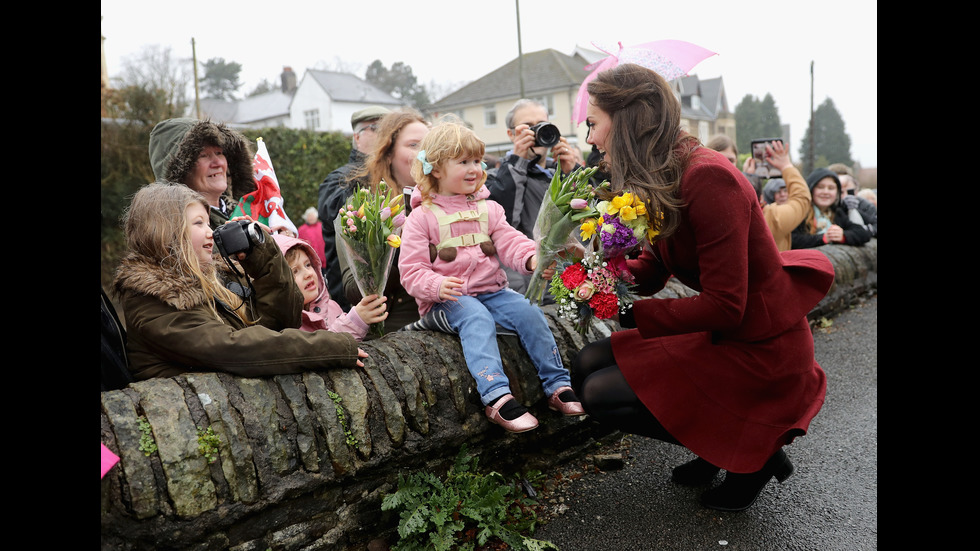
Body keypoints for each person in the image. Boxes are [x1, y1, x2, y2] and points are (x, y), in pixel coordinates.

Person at [573, 64, 835, 512]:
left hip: (758, 347)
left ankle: (754, 459)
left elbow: (726, 305)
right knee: (585, 365)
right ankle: (718, 444)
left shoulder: (709, 177)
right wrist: (607, 273)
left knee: (600, 394)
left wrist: (632, 315)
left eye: (593, 124)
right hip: (725, 333)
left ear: (629, 120)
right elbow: (657, 265)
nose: (590, 139)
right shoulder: (663, 173)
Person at [398, 119, 585, 433]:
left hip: (491, 292)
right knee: (475, 317)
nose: (473, 168)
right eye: (463, 162)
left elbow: (511, 241)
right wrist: (437, 285)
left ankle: (557, 385)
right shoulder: (421, 217)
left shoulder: (489, 209)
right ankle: (496, 397)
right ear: (437, 169)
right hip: (446, 301)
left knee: (528, 312)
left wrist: (530, 259)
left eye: (476, 161)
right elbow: (411, 272)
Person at [113, 182, 367, 380]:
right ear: (166, 232)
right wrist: (332, 348)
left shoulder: (212, 281)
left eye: (208, 222)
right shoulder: (151, 299)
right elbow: (238, 349)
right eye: (199, 223)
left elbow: (280, 321)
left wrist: (260, 253)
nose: (211, 232)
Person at [337, 109, 430, 334]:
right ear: (388, 154)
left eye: (430, 144)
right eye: (413, 145)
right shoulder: (361, 206)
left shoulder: (452, 201)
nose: (424, 153)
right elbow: (353, 288)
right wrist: (400, 242)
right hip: (396, 335)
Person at [487, 99, 583, 294]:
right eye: (528, 127)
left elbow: (585, 225)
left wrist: (571, 174)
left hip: (573, 284)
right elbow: (505, 222)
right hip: (528, 284)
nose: (536, 131)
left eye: (541, 124)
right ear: (511, 134)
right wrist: (517, 163)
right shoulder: (495, 178)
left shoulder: (559, 170)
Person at [149, 117, 295, 234]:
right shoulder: (173, 232)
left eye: (219, 153)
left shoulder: (247, 211)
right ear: (181, 170)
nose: (218, 163)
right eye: (204, 155)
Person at [318, 106, 391, 310]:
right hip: (352, 303)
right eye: (376, 128)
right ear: (357, 137)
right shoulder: (338, 179)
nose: (385, 135)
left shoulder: (396, 175)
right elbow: (349, 221)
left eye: (390, 130)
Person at [272, 233, 387, 340]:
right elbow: (319, 352)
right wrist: (355, 321)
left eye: (308, 265)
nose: (308, 274)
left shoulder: (331, 307)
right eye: (295, 272)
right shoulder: (286, 326)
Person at [743, 141, 812, 252]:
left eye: (785, 191)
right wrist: (786, 166)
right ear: (761, 197)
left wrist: (745, 178)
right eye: (778, 192)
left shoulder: (724, 219)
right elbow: (802, 198)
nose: (783, 195)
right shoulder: (773, 218)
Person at [791, 168, 873, 249]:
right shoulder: (800, 213)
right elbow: (791, 239)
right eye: (820, 187)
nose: (826, 192)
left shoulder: (837, 213)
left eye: (831, 188)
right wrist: (822, 238)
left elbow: (863, 233)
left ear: (837, 193)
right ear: (811, 189)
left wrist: (843, 236)